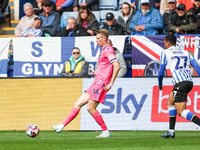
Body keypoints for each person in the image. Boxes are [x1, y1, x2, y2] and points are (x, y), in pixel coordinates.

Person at [52, 29, 120, 138]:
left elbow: (117, 66)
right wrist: (98, 73)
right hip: (97, 82)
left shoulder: (108, 50)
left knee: (90, 108)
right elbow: (107, 68)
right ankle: (61, 125)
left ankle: (105, 131)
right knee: (78, 103)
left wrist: (111, 82)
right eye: (96, 38)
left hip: (101, 84)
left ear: (104, 39)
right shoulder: (104, 50)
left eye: (98, 39)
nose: (96, 41)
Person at [158, 34, 200, 138]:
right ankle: (171, 131)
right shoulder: (186, 52)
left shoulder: (165, 52)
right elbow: (197, 67)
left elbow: (160, 72)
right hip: (189, 82)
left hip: (180, 83)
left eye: (164, 44)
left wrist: (160, 84)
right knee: (170, 101)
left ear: (168, 43)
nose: (164, 45)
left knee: (181, 111)